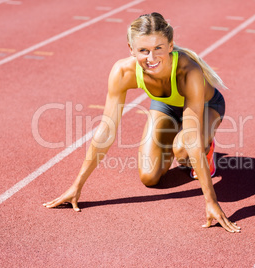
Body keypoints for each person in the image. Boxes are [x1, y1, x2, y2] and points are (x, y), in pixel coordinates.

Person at [43, 12, 241, 233]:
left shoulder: (188, 71)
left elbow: (192, 137)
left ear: (170, 45)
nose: (152, 57)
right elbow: (106, 131)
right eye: (143, 50)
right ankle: (176, 139)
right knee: (149, 177)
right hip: (165, 106)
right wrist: (76, 186)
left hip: (205, 107)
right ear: (131, 49)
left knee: (184, 149)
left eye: (158, 48)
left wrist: (211, 200)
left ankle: (206, 150)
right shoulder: (123, 72)